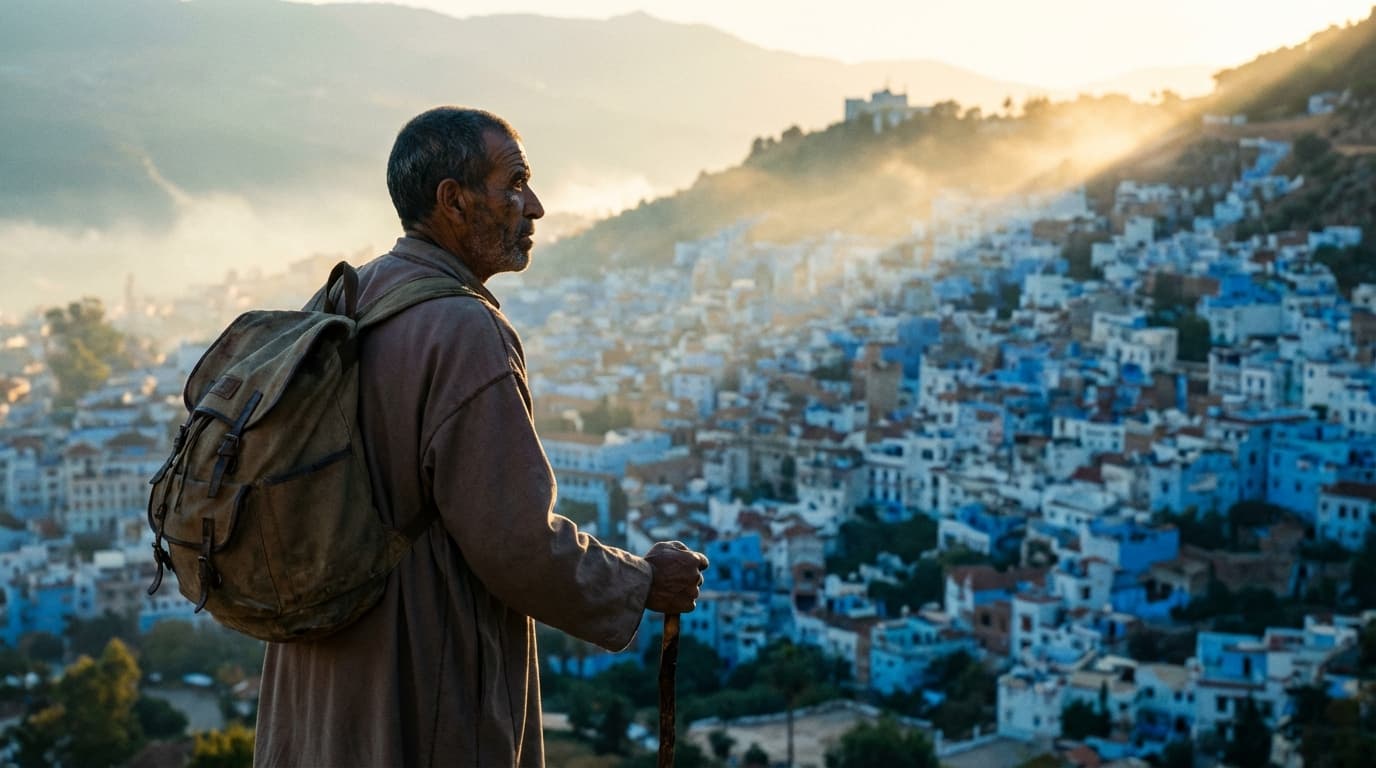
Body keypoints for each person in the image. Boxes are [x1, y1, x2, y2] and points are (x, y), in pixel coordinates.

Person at [254, 106, 709, 767]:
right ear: (454, 201)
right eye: (516, 184)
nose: (537, 207)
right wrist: (641, 583)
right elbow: (515, 543)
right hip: (421, 676)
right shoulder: (464, 331)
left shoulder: (344, 301)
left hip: (315, 675)